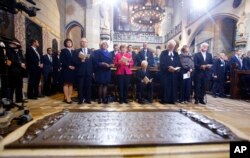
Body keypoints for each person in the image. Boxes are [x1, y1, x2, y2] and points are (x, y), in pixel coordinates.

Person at [160, 39, 181, 104]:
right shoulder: (163, 53)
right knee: (166, 87)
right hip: (166, 74)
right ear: (168, 45)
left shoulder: (176, 54)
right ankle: (165, 100)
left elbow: (178, 63)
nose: (171, 47)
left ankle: (172, 100)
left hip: (174, 74)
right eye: (170, 45)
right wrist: (168, 67)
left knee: (173, 86)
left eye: (173, 46)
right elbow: (162, 63)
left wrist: (176, 68)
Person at [73, 38, 94, 104]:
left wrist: (93, 71)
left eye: (85, 42)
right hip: (80, 72)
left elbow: (93, 62)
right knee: (80, 86)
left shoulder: (91, 51)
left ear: (87, 43)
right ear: (80, 43)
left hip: (89, 72)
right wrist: (80, 61)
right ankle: (80, 99)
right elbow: (74, 61)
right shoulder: (76, 51)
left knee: (88, 86)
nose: (84, 43)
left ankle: (88, 99)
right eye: (82, 41)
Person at [60, 38, 75, 104]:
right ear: (65, 44)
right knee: (66, 83)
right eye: (68, 42)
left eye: (70, 42)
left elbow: (75, 60)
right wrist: (68, 66)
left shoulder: (73, 51)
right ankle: (67, 98)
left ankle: (69, 97)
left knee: (71, 84)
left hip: (72, 70)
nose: (69, 43)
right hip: (66, 69)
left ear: (72, 43)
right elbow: (61, 60)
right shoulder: (63, 51)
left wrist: (74, 66)